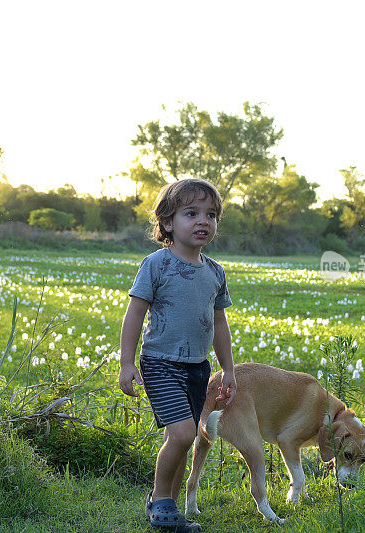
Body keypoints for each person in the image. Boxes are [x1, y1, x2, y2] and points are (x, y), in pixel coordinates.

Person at [119, 178, 237, 532]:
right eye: (191, 213)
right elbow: (135, 314)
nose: (203, 221)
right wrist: (127, 362)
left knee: (182, 440)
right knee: (184, 434)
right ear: (167, 222)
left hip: (198, 369)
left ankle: (168, 511)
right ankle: (160, 500)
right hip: (160, 364)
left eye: (211, 214)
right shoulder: (156, 264)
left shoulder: (215, 272)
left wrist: (228, 370)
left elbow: (219, 322)